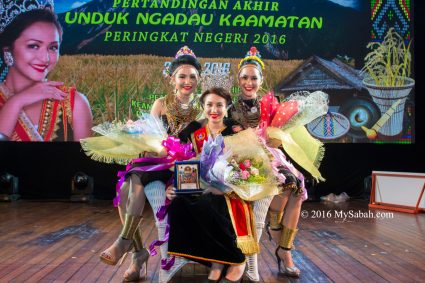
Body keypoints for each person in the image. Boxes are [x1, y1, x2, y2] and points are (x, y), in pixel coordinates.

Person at [99, 46, 202, 282]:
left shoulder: (202, 109)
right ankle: (135, 252)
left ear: (199, 79)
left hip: (181, 170)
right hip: (156, 163)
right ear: (172, 79)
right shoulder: (161, 103)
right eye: (182, 76)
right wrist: (133, 132)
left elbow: (201, 147)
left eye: (192, 77)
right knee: (125, 189)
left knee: (133, 182)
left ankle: (131, 249)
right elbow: (150, 135)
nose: (187, 81)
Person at [229, 47, 315, 279]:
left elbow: (278, 139)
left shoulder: (271, 103)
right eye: (245, 77)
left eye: (254, 78)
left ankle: (284, 249)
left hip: (270, 154)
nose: (249, 82)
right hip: (244, 159)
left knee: (297, 186)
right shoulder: (229, 107)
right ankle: (277, 234)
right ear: (238, 79)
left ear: (261, 79)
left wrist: (275, 136)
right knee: (286, 183)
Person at [166, 87, 252, 283]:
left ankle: (237, 260)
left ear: (227, 107)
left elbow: (248, 166)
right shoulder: (194, 133)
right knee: (180, 204)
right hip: (201, 188)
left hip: (232, 191)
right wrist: (173, 187)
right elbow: (181, 165)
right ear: (203, 107)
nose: (214, 109)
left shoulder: (237, 131)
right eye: (209, 105)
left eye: (219, 105)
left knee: (212, 203)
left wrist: (223, 189)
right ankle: (216, 261)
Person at [0, 2, 92, 141]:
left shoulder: (75, 104)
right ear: (8, 50)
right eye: (33, 46)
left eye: (53, 47)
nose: (45, 58)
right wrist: (16, 102)